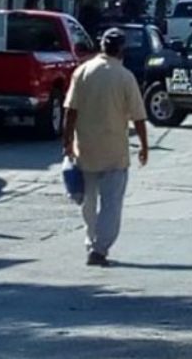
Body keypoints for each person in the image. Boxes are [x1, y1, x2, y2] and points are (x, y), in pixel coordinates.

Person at [62, 28, 150, 266]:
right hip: (114, 153)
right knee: (111, 204)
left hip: (86, 150)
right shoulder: (124, 77)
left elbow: (71, 110)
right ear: (121, 49)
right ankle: (100, 249)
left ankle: (92, 242)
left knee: (89, 203)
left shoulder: (82, 72)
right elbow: (139, 117)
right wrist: (144, 146)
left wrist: (67, 141)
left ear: (101, 46)